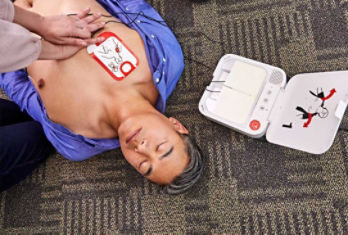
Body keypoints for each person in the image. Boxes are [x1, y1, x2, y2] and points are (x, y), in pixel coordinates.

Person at [0, 0, 203, 194]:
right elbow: (130, 4)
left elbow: (17, 86)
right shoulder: (166, 60)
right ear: (176, 125)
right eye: (160, 147)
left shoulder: (74, 142)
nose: (141, 148)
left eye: (142, 164)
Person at [0, 0, 105, 191]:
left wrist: (41, 23)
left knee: (13, 116)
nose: (142, 147)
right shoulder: (75, 144)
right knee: (34, 137)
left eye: (145, 167)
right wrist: (43, 48)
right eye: (161, 149)